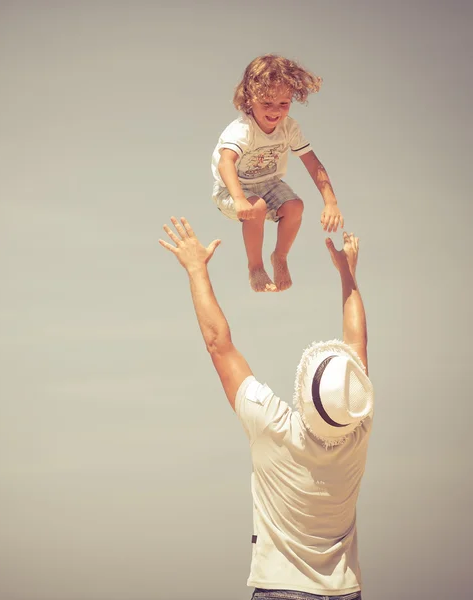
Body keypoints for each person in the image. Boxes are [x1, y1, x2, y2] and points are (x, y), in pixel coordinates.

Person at [159, 217, 373, 600]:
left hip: (281, 589)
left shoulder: (273, 426)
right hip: (345, 590)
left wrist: (196, 270)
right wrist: (348, 275)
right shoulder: (357, 427)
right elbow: (357, 347)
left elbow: (218, 345)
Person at [212, 55, 344, 293]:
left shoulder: (289, 128)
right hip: (232, 188)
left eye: (283, 104)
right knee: (257, 207)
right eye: (267, 103)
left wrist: (331, 202)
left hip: (268, 183)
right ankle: (255, 267)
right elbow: (225, 164)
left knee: (295, 207)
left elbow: (313, 164)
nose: (275, 112)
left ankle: (280, 257)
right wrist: (240, 199)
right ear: (249, 99)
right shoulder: (242, 130)